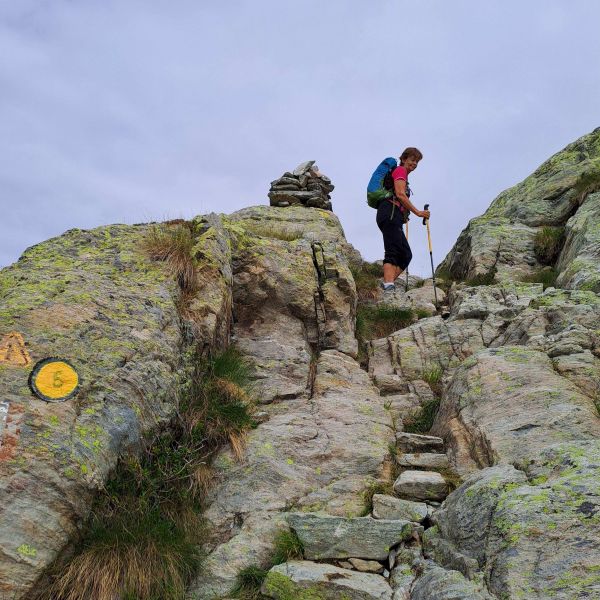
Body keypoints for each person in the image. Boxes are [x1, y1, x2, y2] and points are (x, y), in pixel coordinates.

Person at [376, 147, 430, 291]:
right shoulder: (400, 171)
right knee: (392, 251)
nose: (414, 164)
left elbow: (399, 196)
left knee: (406, 255)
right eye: (412, 160)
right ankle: (388, 287)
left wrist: (404, 214)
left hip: (393, 215)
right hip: (389, 213)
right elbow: (400, 194)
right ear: (404, 159)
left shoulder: (403, 174)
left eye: (417, 161)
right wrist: (418, 212)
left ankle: (386, 284)